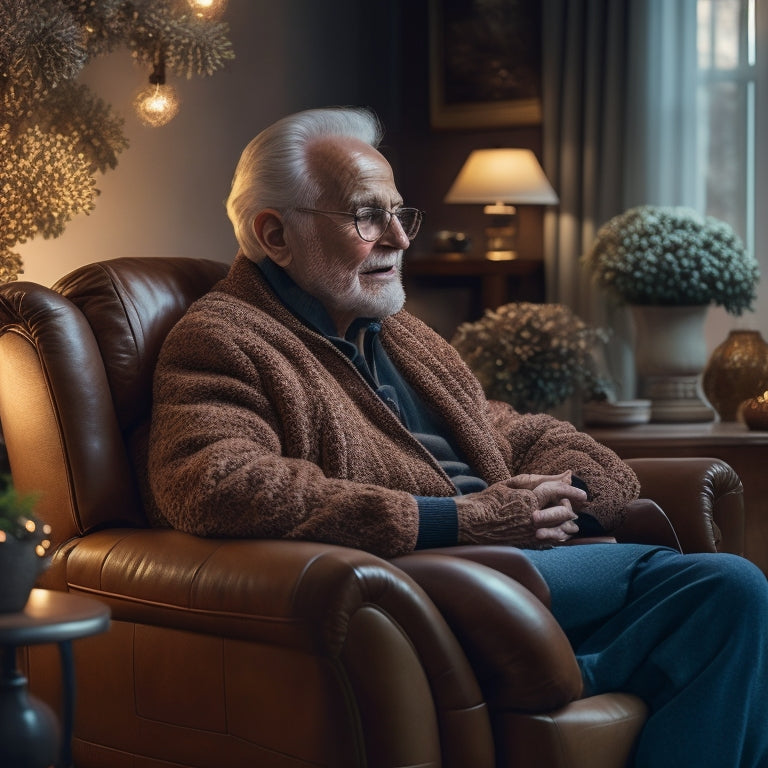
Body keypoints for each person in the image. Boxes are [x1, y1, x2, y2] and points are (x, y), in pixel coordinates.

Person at [148, 106, 768, 767]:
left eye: (399, 213)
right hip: (440, 581)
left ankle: (606, 662)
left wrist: (571, 497)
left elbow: (509, 427)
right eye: (367, 216)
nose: (398, 238)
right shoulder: (224, 337)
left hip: (516, 566)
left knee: (726, 619)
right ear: (275, 234)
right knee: (730, 591)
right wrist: (458, 519)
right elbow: (213, 482)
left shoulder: (401, 332)